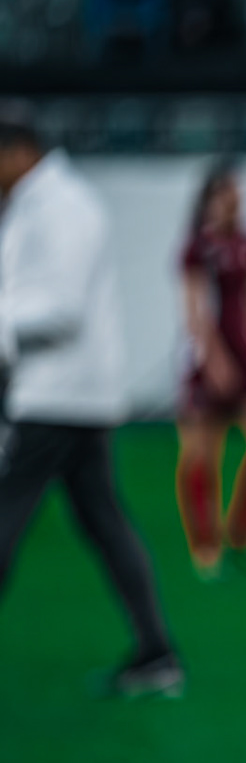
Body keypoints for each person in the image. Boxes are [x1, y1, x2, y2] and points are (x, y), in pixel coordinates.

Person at [0, 101, 183, 697]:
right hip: (73, 396)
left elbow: (61, 310)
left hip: (55, 396)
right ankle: (156, 653)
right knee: (103, 521)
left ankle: (158, 653)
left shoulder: (64, 208)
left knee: (6, 521)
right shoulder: (41, 204)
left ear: (17, 151)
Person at [174, 160, 246, 579]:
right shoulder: (197, 247)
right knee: (201, 455)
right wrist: (212, 358)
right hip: (210, 359)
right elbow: (195, 307)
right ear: (212, 197)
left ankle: (242, 530)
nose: (238, 203)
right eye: (230, 195)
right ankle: (205, 547)